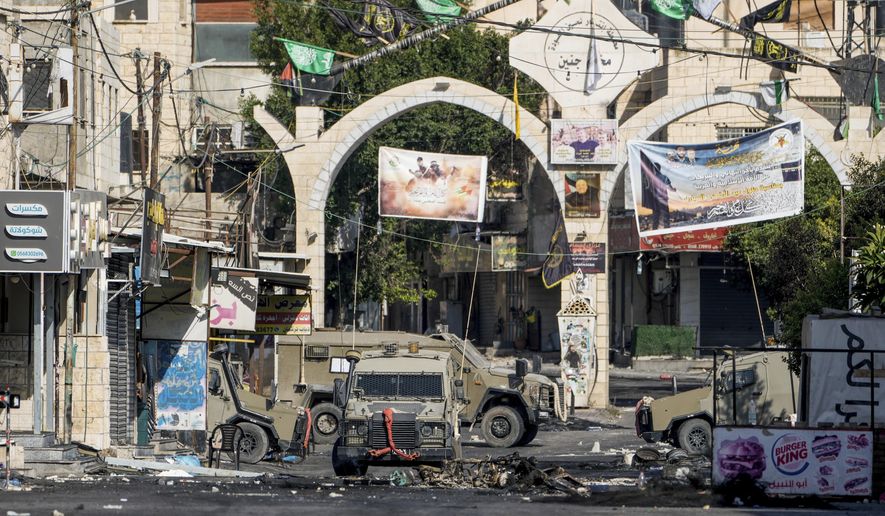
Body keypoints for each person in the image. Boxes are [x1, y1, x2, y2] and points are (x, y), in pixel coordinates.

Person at [640, 156, 677, 230]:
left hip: (655, 200)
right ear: (659, 169)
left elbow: (647, 188)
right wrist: (674, 189)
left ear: (654, 169)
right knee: (666, 215)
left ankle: (654, 229)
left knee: (655, 216)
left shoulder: (651, 179)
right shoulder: (664, 177)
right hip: (663, 199)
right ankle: (667, 229)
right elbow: (670, 188)